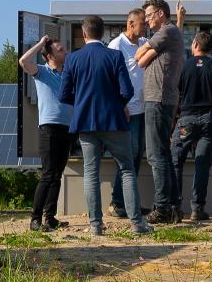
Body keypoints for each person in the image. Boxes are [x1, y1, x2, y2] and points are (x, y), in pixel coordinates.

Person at [59, 16, 153, 236]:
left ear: (84, 34)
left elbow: (63, 95)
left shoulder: (73, 59)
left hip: (86, 124)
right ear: (102, 34)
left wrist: (82, 103)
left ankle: (95, 225)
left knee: (91, 173)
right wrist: (116, 106)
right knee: (128, 169)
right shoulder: (115, 56)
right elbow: (127, 91)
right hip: (114, 122)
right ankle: (137, 224)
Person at [135, 0, 185, 224]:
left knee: (156, 156)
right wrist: (147, 52)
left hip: (158, 100)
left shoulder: (167, 32)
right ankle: (172, 206)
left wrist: (147, 51)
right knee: (162, 154)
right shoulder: (170, 33)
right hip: (161, 100)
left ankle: (163, 207)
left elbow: (139, 59)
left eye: (149, 15)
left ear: (161, 14)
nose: (146, 20)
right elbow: (142, 58)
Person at [19, 35, 74, 232]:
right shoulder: (41, 72)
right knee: (48, 173)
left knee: (57, 174)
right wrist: (41, 44)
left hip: (66, 128)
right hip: (49, 128)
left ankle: (50, 218)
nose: (64, 52)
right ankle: (35, 219)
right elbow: (23, 61)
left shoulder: (68, 74)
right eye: (60, 50)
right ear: (50, 55)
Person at [172, 30, 212, 221]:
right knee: (202, 164)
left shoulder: (183, 67)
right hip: (208, 121)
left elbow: (175, 96)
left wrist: (172, 124)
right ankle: (197, 209)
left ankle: (175, 207)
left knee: (175, 160)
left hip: (186, 120)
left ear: (194, 45)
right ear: (210, 48)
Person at [106, 8, 148, 218]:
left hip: (141, 109)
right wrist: (120, 105)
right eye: (143, 23)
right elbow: (110, 79)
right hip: (127, 110)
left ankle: (129, 202)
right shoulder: (116, 45)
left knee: (137, 154)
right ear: (131, 24)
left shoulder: (143, 43)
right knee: (127, 156)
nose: (146, 27)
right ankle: (117, 202)